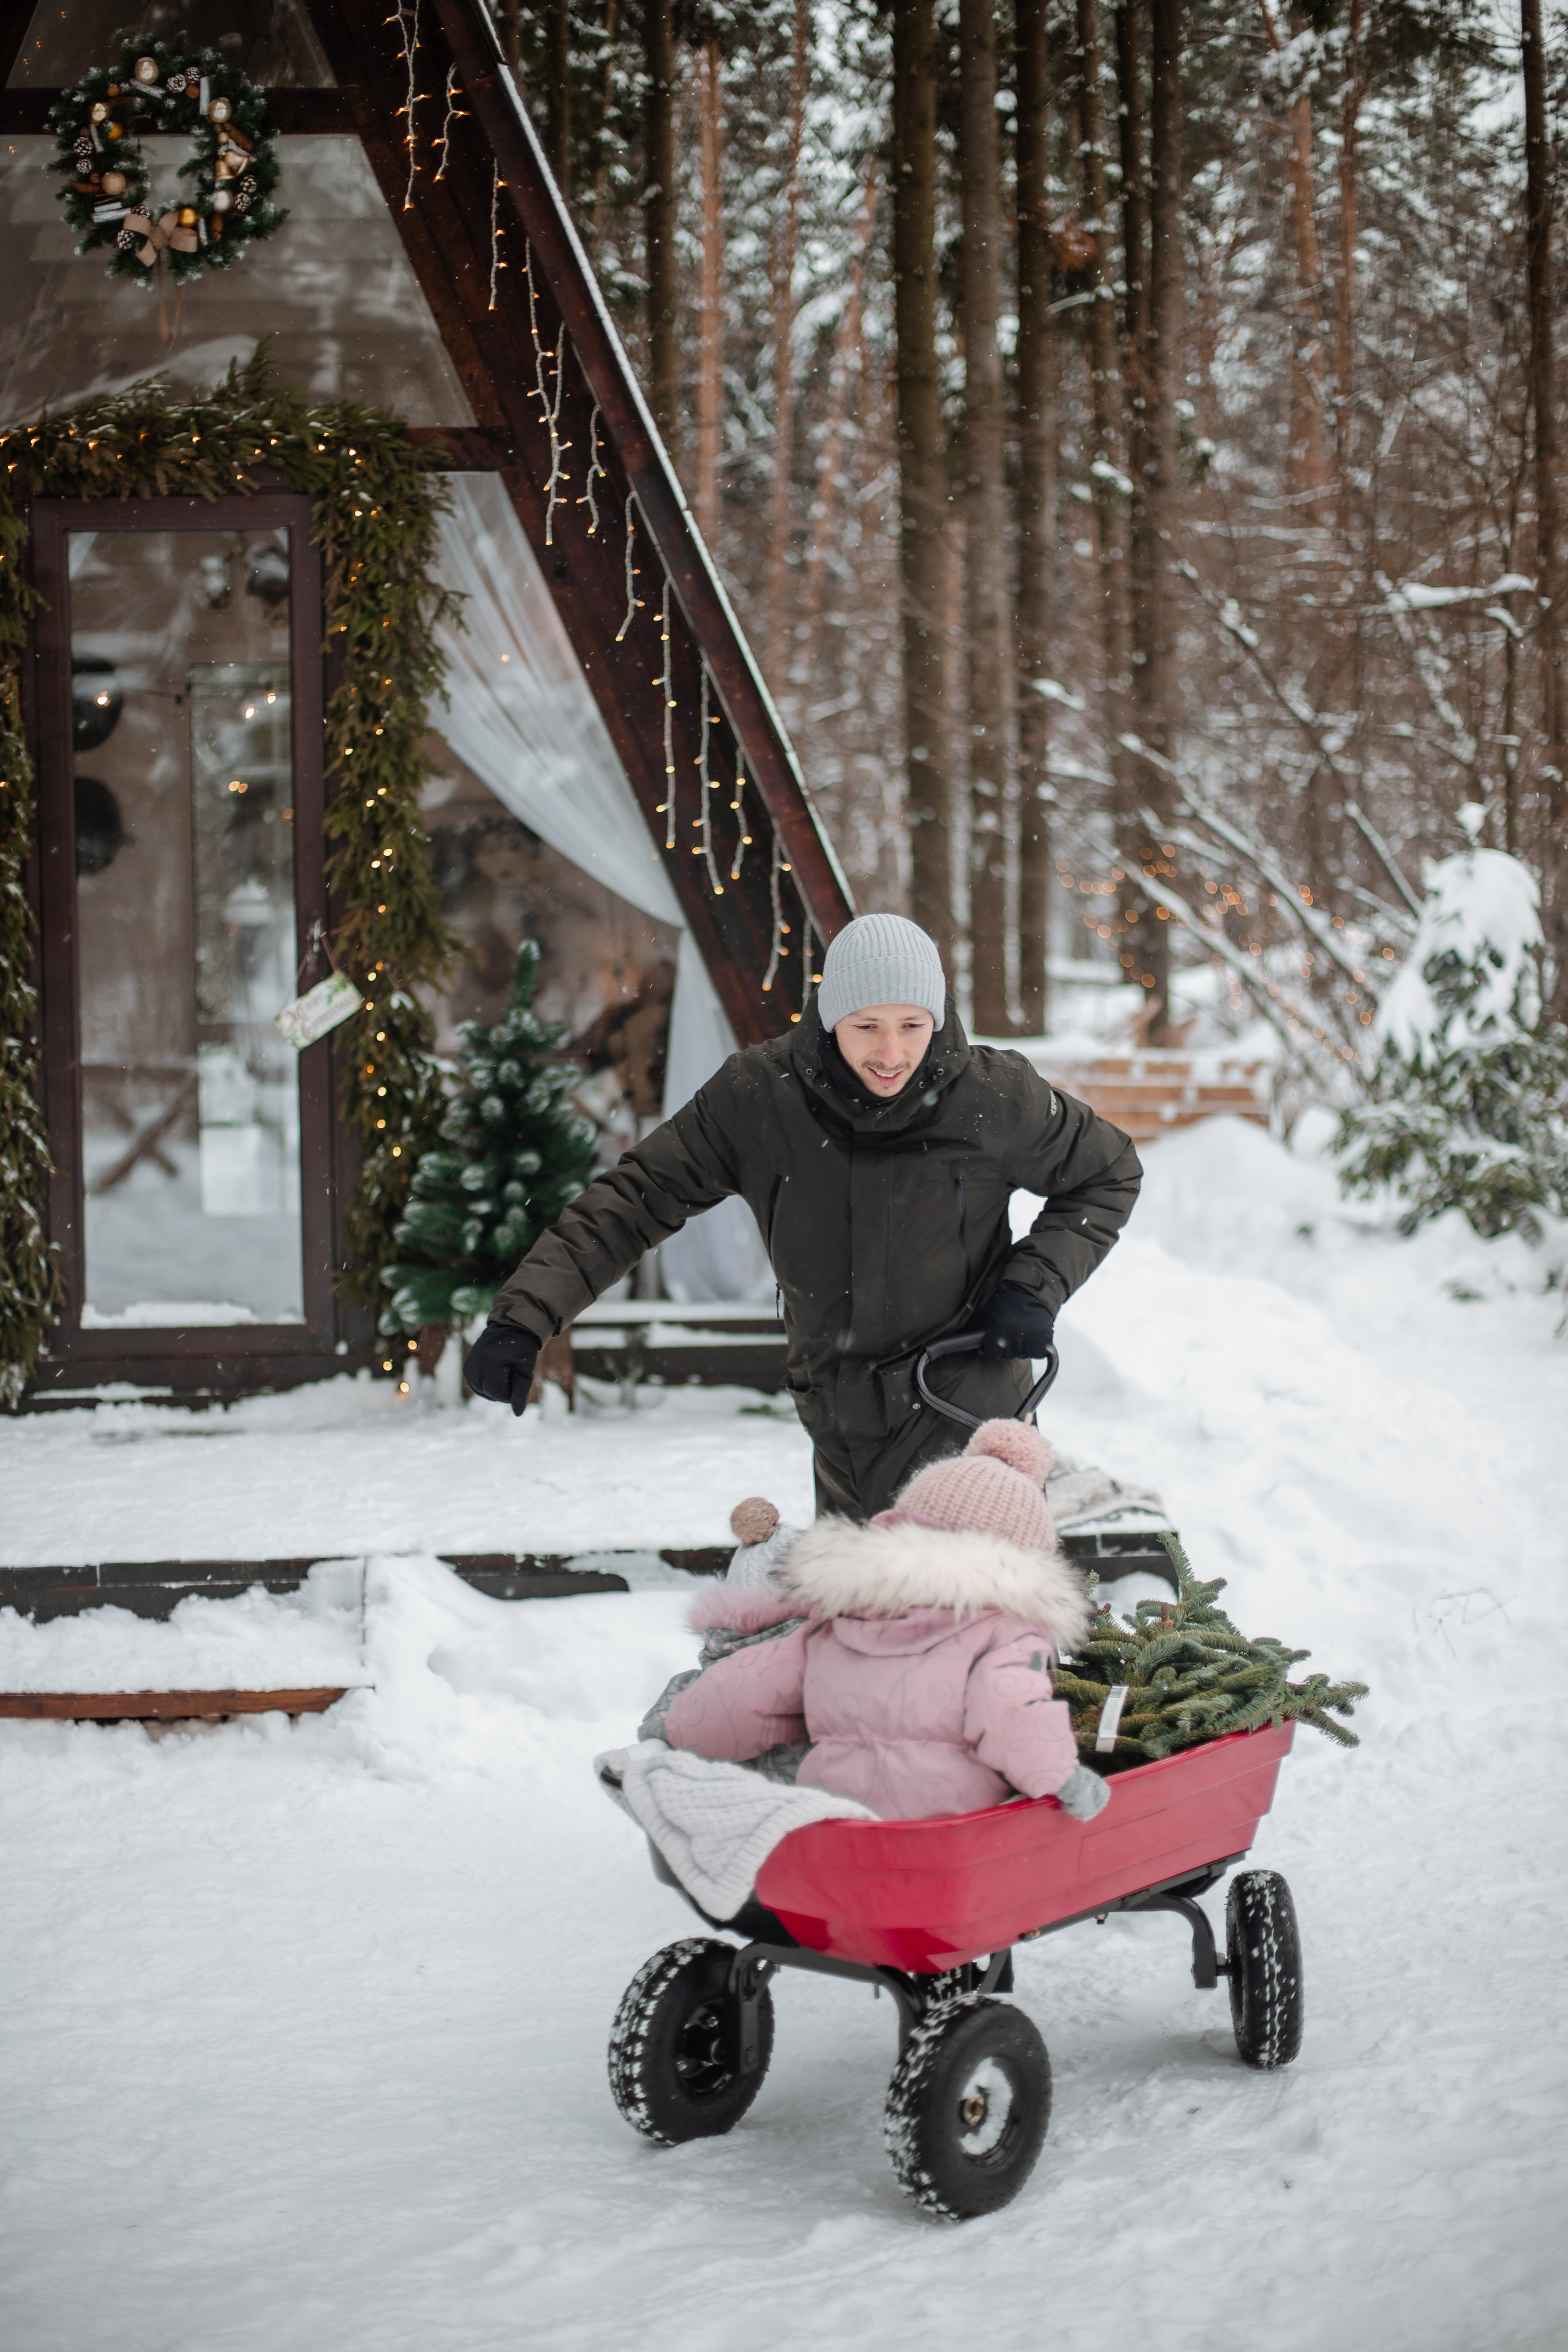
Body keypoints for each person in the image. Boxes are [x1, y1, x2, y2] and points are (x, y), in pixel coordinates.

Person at [464, 911, 1142, 1520]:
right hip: (839, 1412)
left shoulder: (993, 1096)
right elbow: (636, 1198)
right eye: (867, 1026)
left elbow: (1108, 1172)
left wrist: (1032, 1288)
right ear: (830, 1017)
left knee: (965, 1604)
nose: (891, 1054)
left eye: (912, 1026)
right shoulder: (759, 1098)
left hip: (967, 1402)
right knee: (856, 1603)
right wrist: (526, 1316)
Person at [659, 1419, 1109, 1822]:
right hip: (948, 1823)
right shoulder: (1007, 1628)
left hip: (836, 1816)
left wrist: (679, 1731)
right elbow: (1010, 1713)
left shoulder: (839, 1615)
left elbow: (745, 1693)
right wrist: (1060, 1777)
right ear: (1026, 1559)